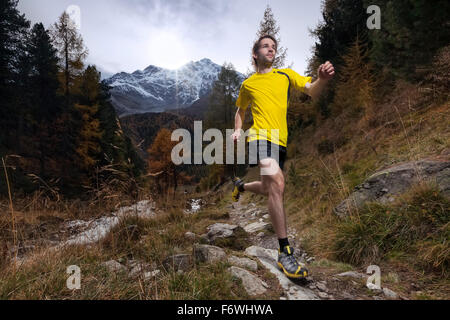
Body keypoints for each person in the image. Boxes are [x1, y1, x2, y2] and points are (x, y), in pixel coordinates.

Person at [230, 34, 335, 279]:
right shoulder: (248, 84)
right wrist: (237, 129)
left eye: (274, 47)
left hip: (280, 141)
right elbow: (240, 110)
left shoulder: (286, 75)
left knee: (269, 188)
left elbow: (311, 91)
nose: (271, 49)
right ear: (255, 54)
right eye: (266, 46)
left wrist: (321, 80)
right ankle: (284, 252)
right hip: (257, 138)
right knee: (278, 183)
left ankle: (241, 187)